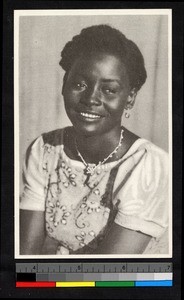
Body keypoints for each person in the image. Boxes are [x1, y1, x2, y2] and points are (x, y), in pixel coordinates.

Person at [20, 24, 169, 255]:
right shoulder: (44, 150)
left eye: (109, 89)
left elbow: (106, 275)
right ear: (63, 85)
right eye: (79, 84)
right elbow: (25, 259)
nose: (91, 99)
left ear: (129, 98)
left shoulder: (148, 166)